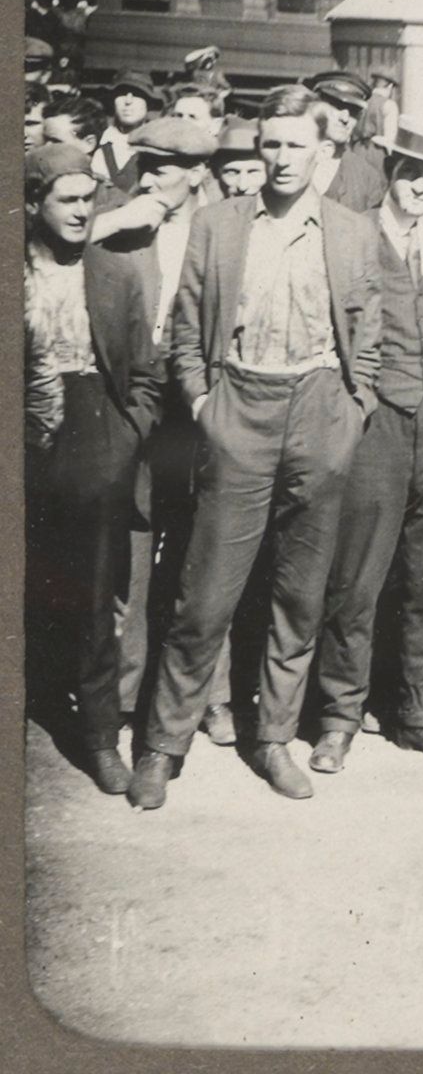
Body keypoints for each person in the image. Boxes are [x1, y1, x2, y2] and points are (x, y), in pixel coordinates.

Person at [128, 85, 384, 809]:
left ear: (323, 152)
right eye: (269, 144)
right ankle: (163, 743)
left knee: (298, 596)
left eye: (296, 144)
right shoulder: (219, 224)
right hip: (239, 401)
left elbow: (370, 328)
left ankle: (272, 737)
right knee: (204, 594)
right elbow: (185, 327)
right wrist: (206, 404)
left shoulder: (352, 230)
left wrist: (353, 409)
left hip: (319, 407)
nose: (279, 158)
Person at [309, 122, 423, 776]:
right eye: (412, 172)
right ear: (392, 170)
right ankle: (338, 718)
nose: (420, 186)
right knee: (356, 579)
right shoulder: (350, 233)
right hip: (377, 424)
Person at [24, 144, 163, 795]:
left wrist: (123, 442)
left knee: (91, 594)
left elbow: (145, 375)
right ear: (33, 204)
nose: (82, 211)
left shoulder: (112, 273)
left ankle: (103, 739)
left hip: (95, 434)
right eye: (67, 199)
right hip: (25, 430)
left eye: (89, 198)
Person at [88, 118, 223, 738]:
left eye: (161, 168)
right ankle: (123, 695)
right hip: (136, 404)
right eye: (141, 165)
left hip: (197, 406)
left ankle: (203, 697)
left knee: (200, 548)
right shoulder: (124, 222)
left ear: (197, 174)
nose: (146, 178)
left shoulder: (221, 229)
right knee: (133, 550)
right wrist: (116, 221)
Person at [305, 70, 387, 212]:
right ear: (314, 105)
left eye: (353, 110)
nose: (345, 118)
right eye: (336, 105)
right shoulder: (288, 156)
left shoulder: (367, 178)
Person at [93, 69, 160, 192]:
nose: (128, 101)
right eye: (122, 93)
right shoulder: (97, 141)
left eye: (137, 94)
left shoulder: (158, 145)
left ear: (148, 103)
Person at [211, 121, 267, 201]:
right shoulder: (208, 212)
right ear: (216, 172)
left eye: (253, 172)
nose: (242, 187)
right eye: (232, 173)